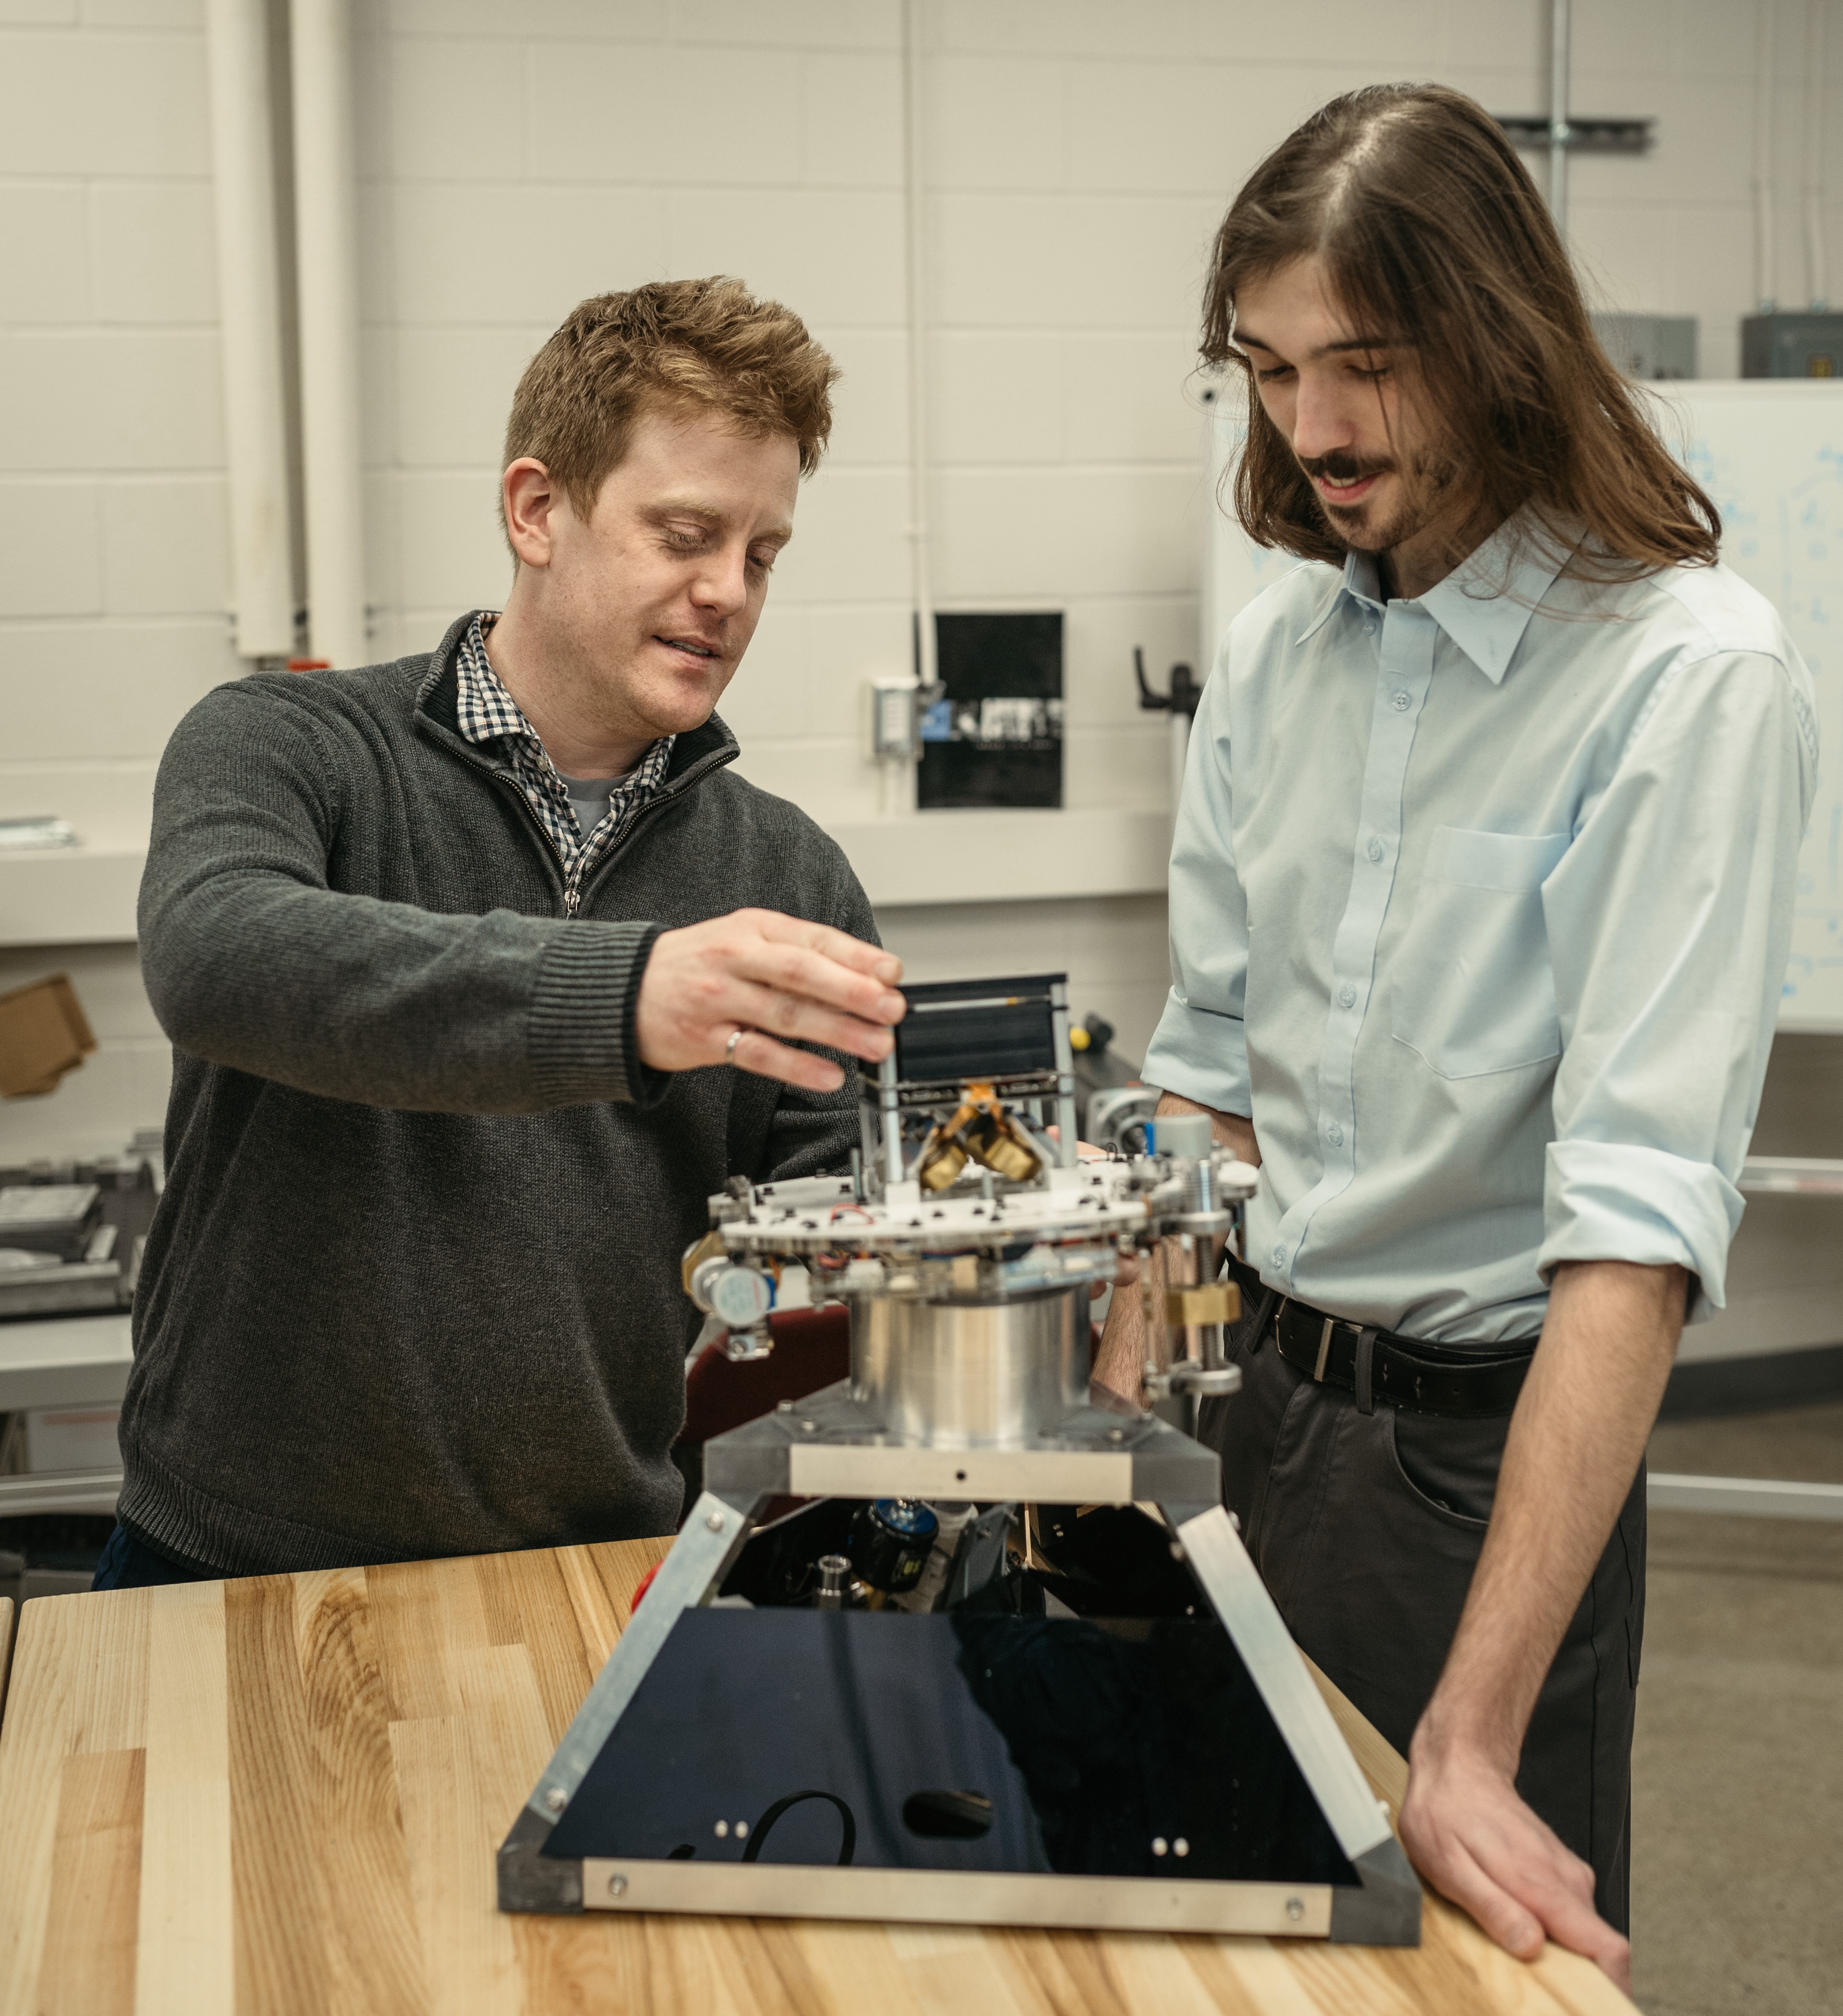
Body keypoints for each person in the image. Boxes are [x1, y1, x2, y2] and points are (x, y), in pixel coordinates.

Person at [1094, 86, 1816, 1990]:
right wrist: (1127, 1400)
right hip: (1263, 1418)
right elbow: (1213, 1069)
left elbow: (1634, 1229)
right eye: (1266, 367)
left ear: (1497, 345)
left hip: (1483, 1479)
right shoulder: (1274, 650)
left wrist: (1475, 1732)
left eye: (1364, 364)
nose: (1310, 429)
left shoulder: (1685, 678)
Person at [102, 278, 904, 1592]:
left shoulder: (784, 870)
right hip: (231, 1565)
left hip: (605, 1564)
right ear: (538, 510)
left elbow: (838, 1239)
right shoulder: (290, 746)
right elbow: (220, 955)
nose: (726, 593)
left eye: (761, 554)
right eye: (684, 535)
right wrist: (629, 993)